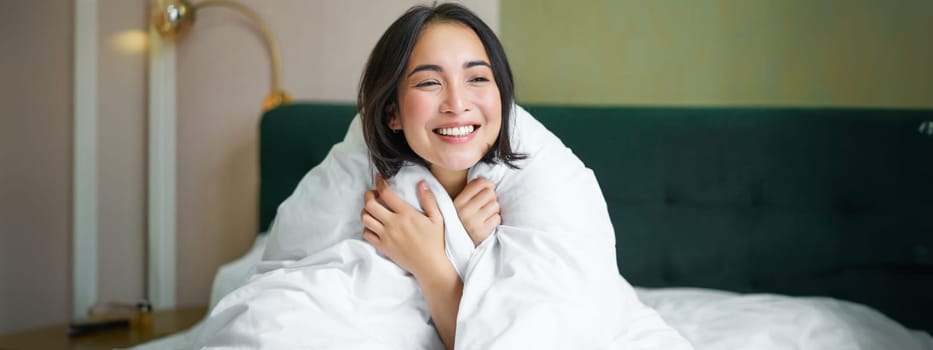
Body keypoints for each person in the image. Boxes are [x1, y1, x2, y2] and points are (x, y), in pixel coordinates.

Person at [356, 3, 524, 349]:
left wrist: (444, 252)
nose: (456, 103)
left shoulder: (530, 192)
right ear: (393, 113)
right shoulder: (380, 197)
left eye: (477, 78)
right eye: (430, 82)